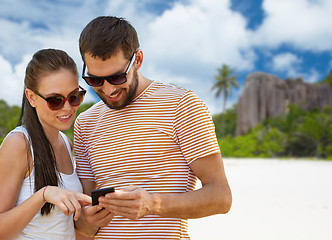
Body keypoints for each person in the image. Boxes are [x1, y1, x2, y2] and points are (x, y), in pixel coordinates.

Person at [74, 16, 232, 239]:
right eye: (95, 80)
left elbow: (221, 197)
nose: (108, 90)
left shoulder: (182, 105)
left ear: (137, 59)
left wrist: (154, 204)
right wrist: (85, 220)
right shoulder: (85, 123)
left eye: (117, 77)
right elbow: (85, 214)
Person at [0, 49, 92, 240]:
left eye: (74, 96)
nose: (67, 108)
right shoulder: (19, 144)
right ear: (32, 97)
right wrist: (43, 195)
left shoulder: (66, 143)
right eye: (55, 100)